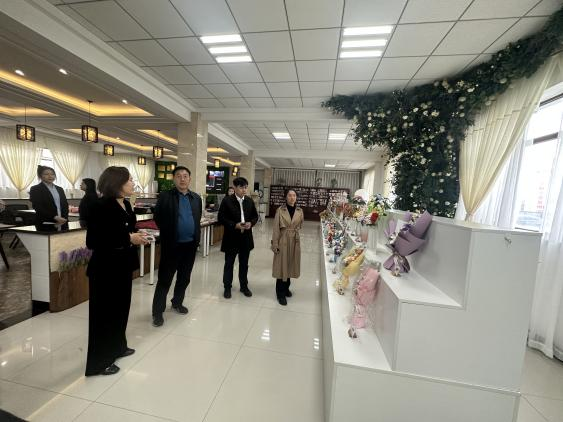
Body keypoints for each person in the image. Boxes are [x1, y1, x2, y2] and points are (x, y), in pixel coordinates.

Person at [85, 166, 149, 376]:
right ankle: (99, 363)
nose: (133, 183)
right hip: (105, 268)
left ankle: (118, 347)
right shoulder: (100, 206)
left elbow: (125, 229)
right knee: (104, 316)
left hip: (123, 265)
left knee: (121, 310)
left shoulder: (126, 204)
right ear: (117, 183)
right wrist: (129, 238)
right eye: (129, 180)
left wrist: (138, 234)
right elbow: (93, 240)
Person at [151, 166, 202, 327]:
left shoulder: (196, 198)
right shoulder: (166, 196)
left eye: (185, 176)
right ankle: (157, 312)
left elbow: (197, 218)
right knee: (165, 279)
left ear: (190, 179)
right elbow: (157, 217)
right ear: (174, 179)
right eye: (178, 176)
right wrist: (170, 232)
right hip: (171, 245)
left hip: (190, 246)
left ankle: (177, 302)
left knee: (184, 278)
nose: (182, 179)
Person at [218, 177, 258, 299]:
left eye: (245, 187)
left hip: (245, 238)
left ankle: (244, 286)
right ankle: (227, 287)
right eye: (241, 187)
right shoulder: (227, 201)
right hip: (231, 238)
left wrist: (251, 223)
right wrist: (234, 225)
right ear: (234, 188)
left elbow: (255, 216)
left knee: (244, 264)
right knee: (229, 264)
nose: (244, 190)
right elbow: (221, 218)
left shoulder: (249, 201)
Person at [271, 189, 304, 305]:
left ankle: (286, 288)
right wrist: (275, 244)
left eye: (294, 195)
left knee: (290, 265)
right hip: (283, 239)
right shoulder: (280, 210)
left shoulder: (300, 211)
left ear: (296, 197)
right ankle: (280, 293)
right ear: (286, 197)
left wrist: (294, 232)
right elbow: (276, 228)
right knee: (282, 266)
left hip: (294, 240)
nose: (292, 197)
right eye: (289, 195)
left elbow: (300, 225)